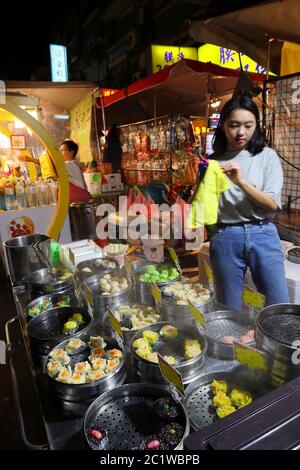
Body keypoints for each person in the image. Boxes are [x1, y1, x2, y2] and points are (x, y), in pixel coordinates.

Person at [208, 94, 289, 311]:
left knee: (278, 304)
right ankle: (235, 344)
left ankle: (274, 345)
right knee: (229, 307)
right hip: (226, 237)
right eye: (234, 125)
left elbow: (272, 204)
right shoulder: (214, 161)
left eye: (248, 125)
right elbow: (207, 208)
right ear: (223, 125)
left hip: (263, 233)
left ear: (256, 126)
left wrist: (241, 181)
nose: (241, 132)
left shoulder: (267, 156)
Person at [59, 139, 91, 203]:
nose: (60, 153)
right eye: (59, 150)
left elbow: (55, 168)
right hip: (78, 201)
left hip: (78, 202)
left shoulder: (69, 164)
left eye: (62, 150)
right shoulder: (73, 164)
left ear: (71, 152)